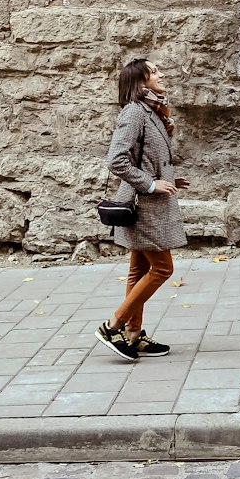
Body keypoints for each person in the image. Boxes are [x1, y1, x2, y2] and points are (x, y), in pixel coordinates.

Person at [96, 57, 189, 362]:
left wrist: (171, 179)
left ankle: (134, 336)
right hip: (144, 205)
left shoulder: (152, 112)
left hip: (151, 201)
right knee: (163, 268)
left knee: (139, 270)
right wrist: (150, 184)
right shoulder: (134, 113)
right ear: (140, 82)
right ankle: (113, 326)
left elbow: (146, 158)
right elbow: (118, 160)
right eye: (154, 71)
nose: (162, 74)